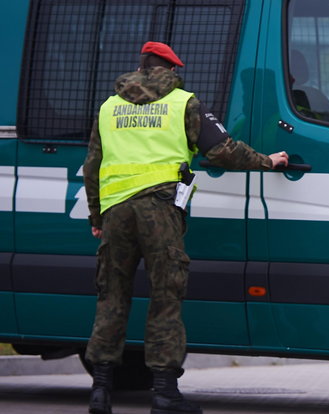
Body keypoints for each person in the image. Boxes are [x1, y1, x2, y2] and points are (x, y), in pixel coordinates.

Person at [82, 41, 288, 414]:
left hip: (116, 213)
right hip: (160, 212)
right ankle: (164, 393)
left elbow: (92, 166)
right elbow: (221, 150)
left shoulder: (110, 106)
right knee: (165, 298)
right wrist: (266, 161)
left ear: (141, 67)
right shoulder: (182, 101)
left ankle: (100, 390)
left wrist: (97, 217)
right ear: (170, 69)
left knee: (111, 297)